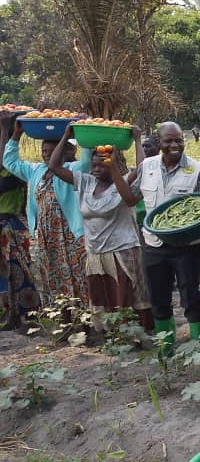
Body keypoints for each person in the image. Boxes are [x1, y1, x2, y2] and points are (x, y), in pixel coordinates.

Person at [50, 125, 152, 335]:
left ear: (114, 164)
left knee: (127, 295)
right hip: (95, 251)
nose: (96, 168)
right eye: (94, 164)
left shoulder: (123, 183)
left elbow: (143, 170)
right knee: (103, 295)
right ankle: (109, 334)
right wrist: (66, 135)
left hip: (122, 249)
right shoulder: (85, 182)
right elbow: (54, 166)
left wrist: (137, 140)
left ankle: (133, 334)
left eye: (102, 165)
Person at [131, 122, 200, 349]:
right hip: (153, 244)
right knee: (158, 297)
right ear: (159, 143)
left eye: (179, 140)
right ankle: (166, 348)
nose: (174, 145)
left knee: (191, 296)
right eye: (168, 140)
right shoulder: (147, 166)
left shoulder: (197, 170)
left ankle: (199, 348)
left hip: (185, 245)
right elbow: (133, 195)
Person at [2, 112, 92, 314]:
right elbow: (10, 162)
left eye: (51, 151)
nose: (46, 154)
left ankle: (84, 320)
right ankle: (62, 318)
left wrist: (81, 129)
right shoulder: (35, 170)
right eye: (44, 150)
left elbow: (87, 160)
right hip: (46, 236)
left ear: (66, 152)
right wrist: (16, 135)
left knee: (79, 276)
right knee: (51, 276)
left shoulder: (73, 168)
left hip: (72, 234)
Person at [0, 111, 40, 331]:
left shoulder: (13, 169)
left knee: (20, 271)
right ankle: (11, 314)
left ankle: (28, 316)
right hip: (6, 223)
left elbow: (4, 163)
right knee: (5, 274)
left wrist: (5, 129)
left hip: (13, 223)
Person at [135, 135, 160, 226]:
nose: (145, 149)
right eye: (143, 146)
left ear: (158, 147)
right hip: (140, 218)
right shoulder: (141, 166)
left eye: (148, 146)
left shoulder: (161, 167)